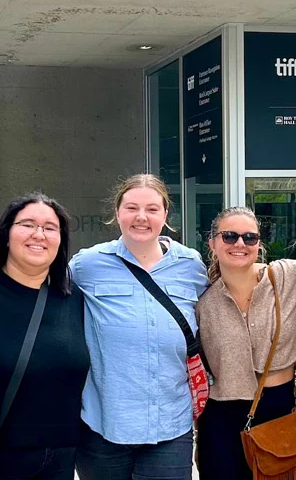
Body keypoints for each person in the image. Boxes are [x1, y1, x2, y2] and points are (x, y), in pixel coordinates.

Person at [70, 174, 207, 480]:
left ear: (165, 215)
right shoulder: (86, 265)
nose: (141, 217)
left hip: (170, 424)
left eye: (152, 209)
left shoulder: (191, 265)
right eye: (132, 208)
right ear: (117, 213)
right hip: (103, 425)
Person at [0, 193, 90, 479]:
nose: (39, 234)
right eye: (27, 225)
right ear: (6, 234)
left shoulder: (72, 298)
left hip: (61, 457)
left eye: (50, 228)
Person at [194, 206, 296, 480]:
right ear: (212, 243)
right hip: (221, 418)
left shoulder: (286, 276)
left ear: (258, 244)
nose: (240, 244)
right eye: (230, 236)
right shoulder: (203, 303)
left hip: (278, 412)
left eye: (249, 237)